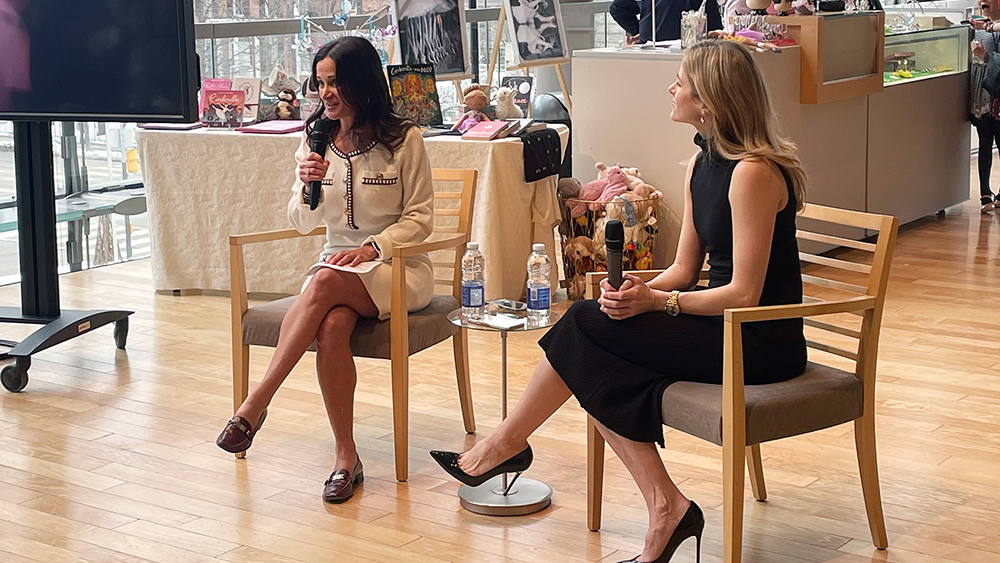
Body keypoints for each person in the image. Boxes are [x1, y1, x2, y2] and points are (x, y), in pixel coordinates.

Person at [431, 40, 808, 563]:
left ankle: (509, 446)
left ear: (709, 100)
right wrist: (637, 288)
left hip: (760, 340)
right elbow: (684, 271)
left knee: (585, 332)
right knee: (593, 342)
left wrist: (658, 302)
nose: (671, 88)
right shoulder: (701, 165)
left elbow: (744, 293)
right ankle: (662, 505)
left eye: (682, 82)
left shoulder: (753, 173)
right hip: (718, 323)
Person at [216, 36, 435, 504]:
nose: (325, 93)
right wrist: (305, 186)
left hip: (398, 268)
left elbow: (420, 219)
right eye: (319, 83)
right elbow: (301, 223)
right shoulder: (315, 138)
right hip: (334, 267)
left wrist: (374, 247)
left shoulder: (404, 139)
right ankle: (345, 458)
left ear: (361, 81)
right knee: (332, 326)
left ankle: (256, 403)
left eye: (334, 82)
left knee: (325, 282)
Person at [970, 0, 1000, 212]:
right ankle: (984, 192)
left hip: (997, 97)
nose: (982, 2)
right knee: (984, 143)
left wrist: (985, 56)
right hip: (982, 96)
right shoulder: (979, 27)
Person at [610, 0, 722, 45]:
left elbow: (617, 8)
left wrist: (643, 31)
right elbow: (716, 32)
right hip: (684, 50)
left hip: (649, 46)